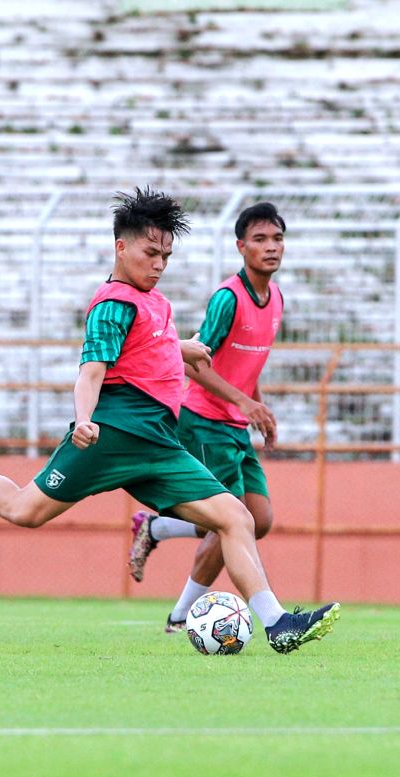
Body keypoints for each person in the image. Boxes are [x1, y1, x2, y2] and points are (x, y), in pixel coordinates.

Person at [0, 189, 339, 654]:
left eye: (166, 255)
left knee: (236, 518)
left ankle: (277, 623)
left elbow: (148, 341)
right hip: (112, 434)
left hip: (160, 443)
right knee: (25, 511)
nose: (159, 264)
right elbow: (92, 371)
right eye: (150, 252)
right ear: (121, 247)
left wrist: (181, 347)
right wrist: (83, 419)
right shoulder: (111, 304)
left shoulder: (155, 302)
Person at [127, 202, 287, 634]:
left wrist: (259, 407)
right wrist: (245, 403)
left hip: (235, 423)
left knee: (260, 519)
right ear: (241, 247)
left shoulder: (275, 300)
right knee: (228, 522)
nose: (270, 248)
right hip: (202, 419)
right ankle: (180, 618)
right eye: (260, 239)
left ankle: (157, 528)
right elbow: (198, 363)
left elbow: (245, 364)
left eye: (276, 239)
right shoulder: (228, 298)